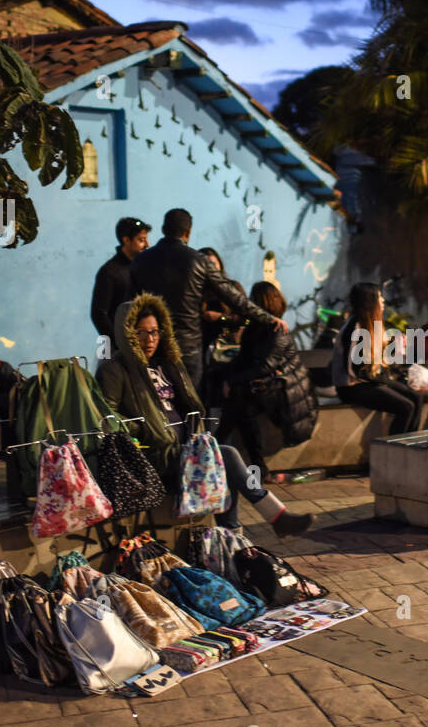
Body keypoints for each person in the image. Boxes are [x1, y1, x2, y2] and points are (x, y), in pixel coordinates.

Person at [96, 292, 311, 537]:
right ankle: (266, 520)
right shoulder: (115, 368)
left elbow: (190, 405)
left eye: (155, 332)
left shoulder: (167, 364)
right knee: (226, 455)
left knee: (222, 460)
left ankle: (234, 535)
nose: (150, 339)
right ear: (127, 333)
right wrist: (144, 428)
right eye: (141, 332)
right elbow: (106, 418)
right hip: (156, 456)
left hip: (187, 447)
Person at [130, 208, 286, 390]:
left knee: (157, 405)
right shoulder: (199, 261)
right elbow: (234, 297)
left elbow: (130, 307)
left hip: (152, 345)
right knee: (192, 406)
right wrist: (268, 318)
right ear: (188, 233)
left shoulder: (141, 261)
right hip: (188, 349)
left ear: (163, 229)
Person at [217, 281, 318, 481]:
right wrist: (228, 378)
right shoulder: (255, 329)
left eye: (253, 301)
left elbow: (265, 366)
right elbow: (243, 360)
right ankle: (255, 466)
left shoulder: (276, 331)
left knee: (240, 402)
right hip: (265, 386)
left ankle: (217, 446)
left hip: (287, 391)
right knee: (242, 405)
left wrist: (233, 380)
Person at [332, 282, 423, 435]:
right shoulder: (355, 328)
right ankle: (394, 451)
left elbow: (377, 360)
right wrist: (386, 382)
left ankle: (410, 447)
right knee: (406, 406)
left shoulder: (371, 324)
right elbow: (355, 370)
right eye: (379, 297)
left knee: (416, 397)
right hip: (352, 387)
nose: (383, 301)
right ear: (369, 301)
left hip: (368, 382)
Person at [90, 217, 150, 343]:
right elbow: (98, 314)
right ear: (126, 240)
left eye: (146, 239)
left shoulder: (144, 268)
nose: (147, 245)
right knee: (106, 362)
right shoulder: (109, 272)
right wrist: (119, 342)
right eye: (141, 240)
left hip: (141, 342)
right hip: (115, 345)